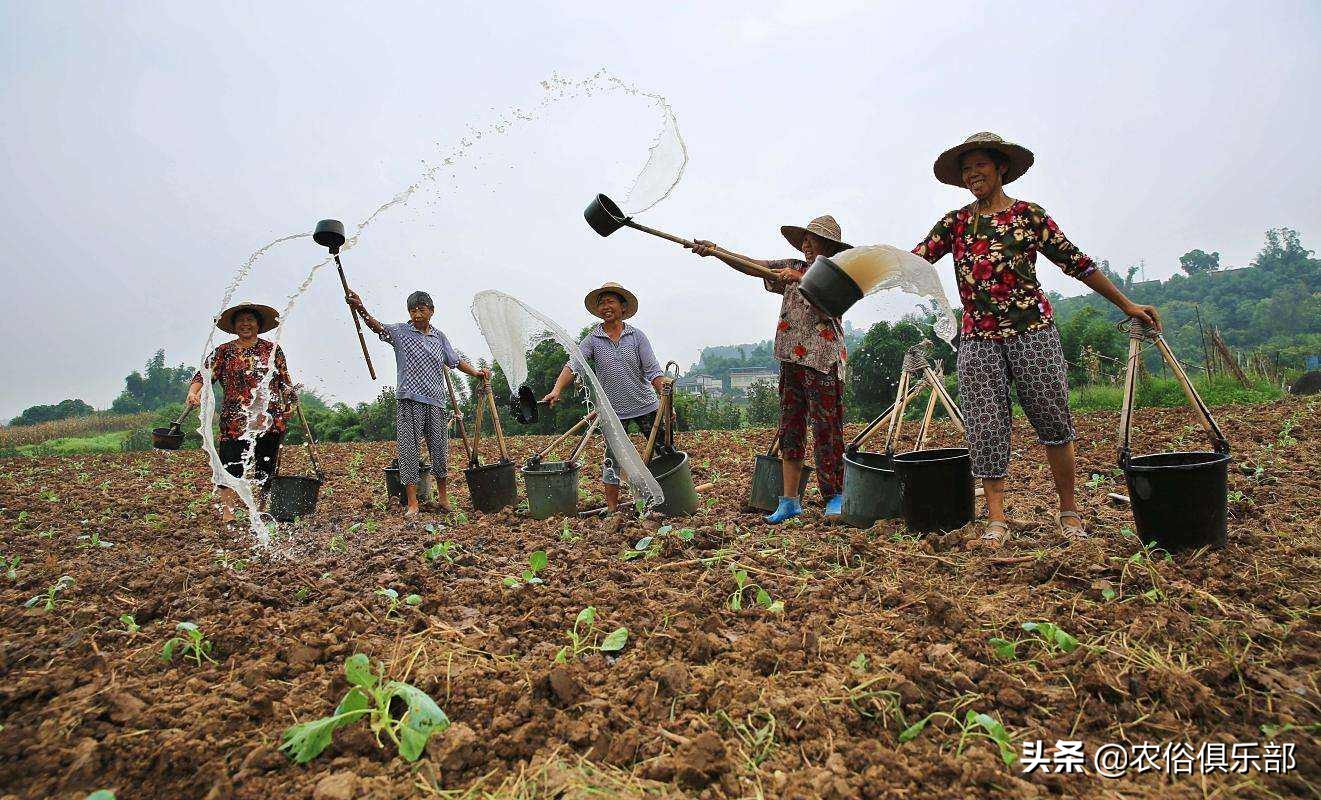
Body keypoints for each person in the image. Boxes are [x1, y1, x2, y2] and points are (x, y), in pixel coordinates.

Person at [912, 132, 1161, 544]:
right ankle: (996, 518)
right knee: (985, 426)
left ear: (1001, 168)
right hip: (978, 339)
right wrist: (865, 270)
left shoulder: (1029, 216)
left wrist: (1126, 305)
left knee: (1053, 420)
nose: (973, 174)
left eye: (981, 166)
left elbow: (1076, 262)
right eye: (967, 169)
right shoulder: (955, 224)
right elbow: (916, 260)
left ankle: (1069, 511)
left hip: (1033, 333)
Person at [687, 217, 851, 523]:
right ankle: (789, 500)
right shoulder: (790, 265)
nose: (805, 245)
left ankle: (835, 496)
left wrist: (799, 279)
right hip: (791, 359)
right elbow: (753, 265)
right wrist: (716, 251)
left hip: (822, 361)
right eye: (804, 240)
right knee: (791, 428)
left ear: (827, 246)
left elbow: (831, 301)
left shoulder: (838, 274)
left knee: (827, 430)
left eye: (811, 240)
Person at [346, 289, 490, 518]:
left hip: (436, 401)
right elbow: (378, 327)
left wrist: (475, 372)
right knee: (408, 450)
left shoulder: (439, 337)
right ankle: (413, 503)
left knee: (439, 451)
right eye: (413, 310)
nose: (417, 314)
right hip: (409, 400)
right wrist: (361, 309)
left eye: (421, 309)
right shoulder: (401, 332)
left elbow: (454, 361)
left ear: (431, 311)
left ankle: (442, 497)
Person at [542, 282, 667, 514]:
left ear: (622, 306)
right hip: (613, 412)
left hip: (645, 406)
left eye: (610, 302)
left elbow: (653, 371)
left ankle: (668, 500)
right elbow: (573, 365)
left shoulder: (637, 337)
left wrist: (665, 395)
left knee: (664, 452)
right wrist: (557, 389)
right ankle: (612, 508)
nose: (605, 307)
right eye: (601, 303)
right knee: (612, 460)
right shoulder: (593, 340)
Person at [187, 301, 296, 523]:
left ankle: (262, 507)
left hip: (268, 418)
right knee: (230, 464)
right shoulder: (224, 352)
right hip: (235, 419)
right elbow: (203, 374)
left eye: (250, 320)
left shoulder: (272, 350)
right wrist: (193, 392)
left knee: (266, 464)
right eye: (241, 321)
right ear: (235, 326)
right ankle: (228, 511)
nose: (246, 324)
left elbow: (285, 380)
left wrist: (291, 402)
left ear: (258, 324)